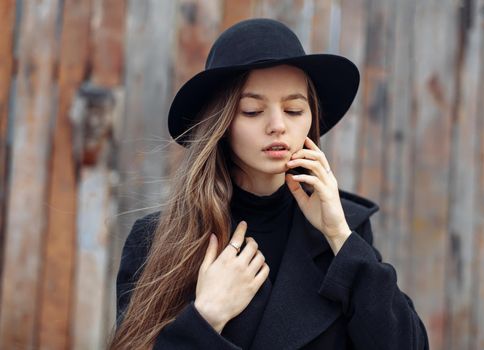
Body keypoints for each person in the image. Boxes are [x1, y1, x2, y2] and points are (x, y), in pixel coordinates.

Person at [109, 18, 429, 350]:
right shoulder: (159, 240)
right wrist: (206, 318)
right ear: (221, 124)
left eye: (293, 110)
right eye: (252, 111)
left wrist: (339, 237)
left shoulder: (344, 233)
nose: (277, 126)